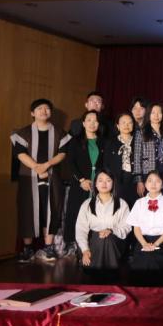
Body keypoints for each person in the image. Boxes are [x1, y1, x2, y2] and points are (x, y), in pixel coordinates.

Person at [11, 98, 70, 262]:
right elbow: (20, 153)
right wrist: (37, 167)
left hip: (53, 178)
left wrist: (47, 165)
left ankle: (49, 248)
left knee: (51, 210)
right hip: (28, 178)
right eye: (39, 108)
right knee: (27, 210)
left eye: (47, 108)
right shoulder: (23, 133)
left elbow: (63, 153)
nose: (44, 111)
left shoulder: (59, 132)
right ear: (32, 113)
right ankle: (28, 249)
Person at [65, 110, 105, 258]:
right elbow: (70, 163)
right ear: (83, 123)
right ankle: (77, 248)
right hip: (80, 184)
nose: (92, 123)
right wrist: (81, 180)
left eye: (95, 120)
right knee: (77, 214)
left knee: (96, 214)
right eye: (89, 120)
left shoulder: (103, 142)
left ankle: (94, 247)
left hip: (99, 185)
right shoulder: (75, 141)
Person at [76, 170, 131, 270]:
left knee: (107, 239)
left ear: (113, 183)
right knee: (100, 239)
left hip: (114, 243)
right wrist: (85, 250)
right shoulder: (87, 204)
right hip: (92, 243)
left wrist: (111, 230)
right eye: (100, 180)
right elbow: (80, 230)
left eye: (108, 180)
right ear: (95, 184)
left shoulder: (122, 204)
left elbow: (127, 227)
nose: (104, 183)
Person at [127, 170, 163, 270]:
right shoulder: (139, 203)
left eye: (157, 181)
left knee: (154, 258)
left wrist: (156, 244)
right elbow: (136, 228)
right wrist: (144, 244)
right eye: (150, 181)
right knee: (145, 260)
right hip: (143, 241)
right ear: (145, 184)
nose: (153, 184)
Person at [103, 113, 139, 208]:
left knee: (134, 208)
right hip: (116, 182)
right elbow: (106, 163)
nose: (126, 125)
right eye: (123, 123)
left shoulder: (138, 141)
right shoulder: (110, 142)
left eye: (130, 123)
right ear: (118, 126)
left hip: (135, 182)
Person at [134, 103, 163, 198]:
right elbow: (137, 157)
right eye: (153, 113)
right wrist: (139, 180)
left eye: (159, 113)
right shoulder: (141, 132)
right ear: (148, 115)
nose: (156, 116)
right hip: (148, 172)